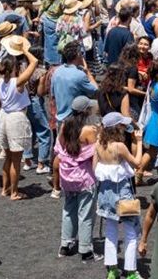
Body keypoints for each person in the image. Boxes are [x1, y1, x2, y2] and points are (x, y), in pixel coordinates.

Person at [94, 112, 143, 279]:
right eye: (122, 125)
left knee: (110, 231)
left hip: (105, 193)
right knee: (130, 231)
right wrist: (139, 141)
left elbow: (95, 169)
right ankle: (130, 271)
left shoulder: (98, 145)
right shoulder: (119, 147)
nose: (124, 127)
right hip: (122, 192)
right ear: (117, 128)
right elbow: (137, 163)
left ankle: (112, 269)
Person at [0, 36, 38, 200]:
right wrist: (25, 50)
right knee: (16, 159)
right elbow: (34, 63)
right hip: (16, 117)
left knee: (7, 157)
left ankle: (5, 189)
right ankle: (14, 192)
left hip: (4, 116)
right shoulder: (18, 82)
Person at [54, 98, 98, 261]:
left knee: (68, 210)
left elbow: (59, 148)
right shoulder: (88, 130)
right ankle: (85, 250)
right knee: (85, 213)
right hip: (84, 177)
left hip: (67, 176)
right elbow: (95, 153)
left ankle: (65, 245)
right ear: (86, 111)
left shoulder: (65, 125)